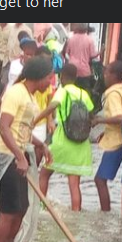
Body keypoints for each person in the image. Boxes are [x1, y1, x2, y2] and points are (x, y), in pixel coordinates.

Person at [0, 57, 54, 242]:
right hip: (3, 156)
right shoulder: (16, 93)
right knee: (9, 211)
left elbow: (22, 130)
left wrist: (41, 145)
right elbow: (4, 128)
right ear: (39, 77)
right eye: (49, 78)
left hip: (16, 156)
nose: (50, 83)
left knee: (21, 209)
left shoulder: (30, 96)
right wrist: (20, 156)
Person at [37, 63, 95, 211]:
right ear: (76, 77)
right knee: (74, 183)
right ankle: (76, 212)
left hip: (62, 140)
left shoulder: (62, 92)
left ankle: (41, 206)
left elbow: (52, 106)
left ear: (61, 77)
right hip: (81, 143)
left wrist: (35, 120)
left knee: (44, 174)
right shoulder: (84, 94)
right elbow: (91, 116)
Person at [92, 61, 122, 212]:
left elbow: (119, 117)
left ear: (114, 75)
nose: (104, 75)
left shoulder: (113, 94)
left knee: (100, 180)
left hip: (117, 142)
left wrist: (99, 120)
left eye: (107, 72)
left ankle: (105, 213)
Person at [63, 23, 99, 91]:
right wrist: (101, 52)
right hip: (84, 71)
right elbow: (93, 55)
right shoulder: (90, 40)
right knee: (84, 91)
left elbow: (66, 53)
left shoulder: (71, 39)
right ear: (85, 30)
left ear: (77, 29)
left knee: (71, 91)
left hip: (72, 70)